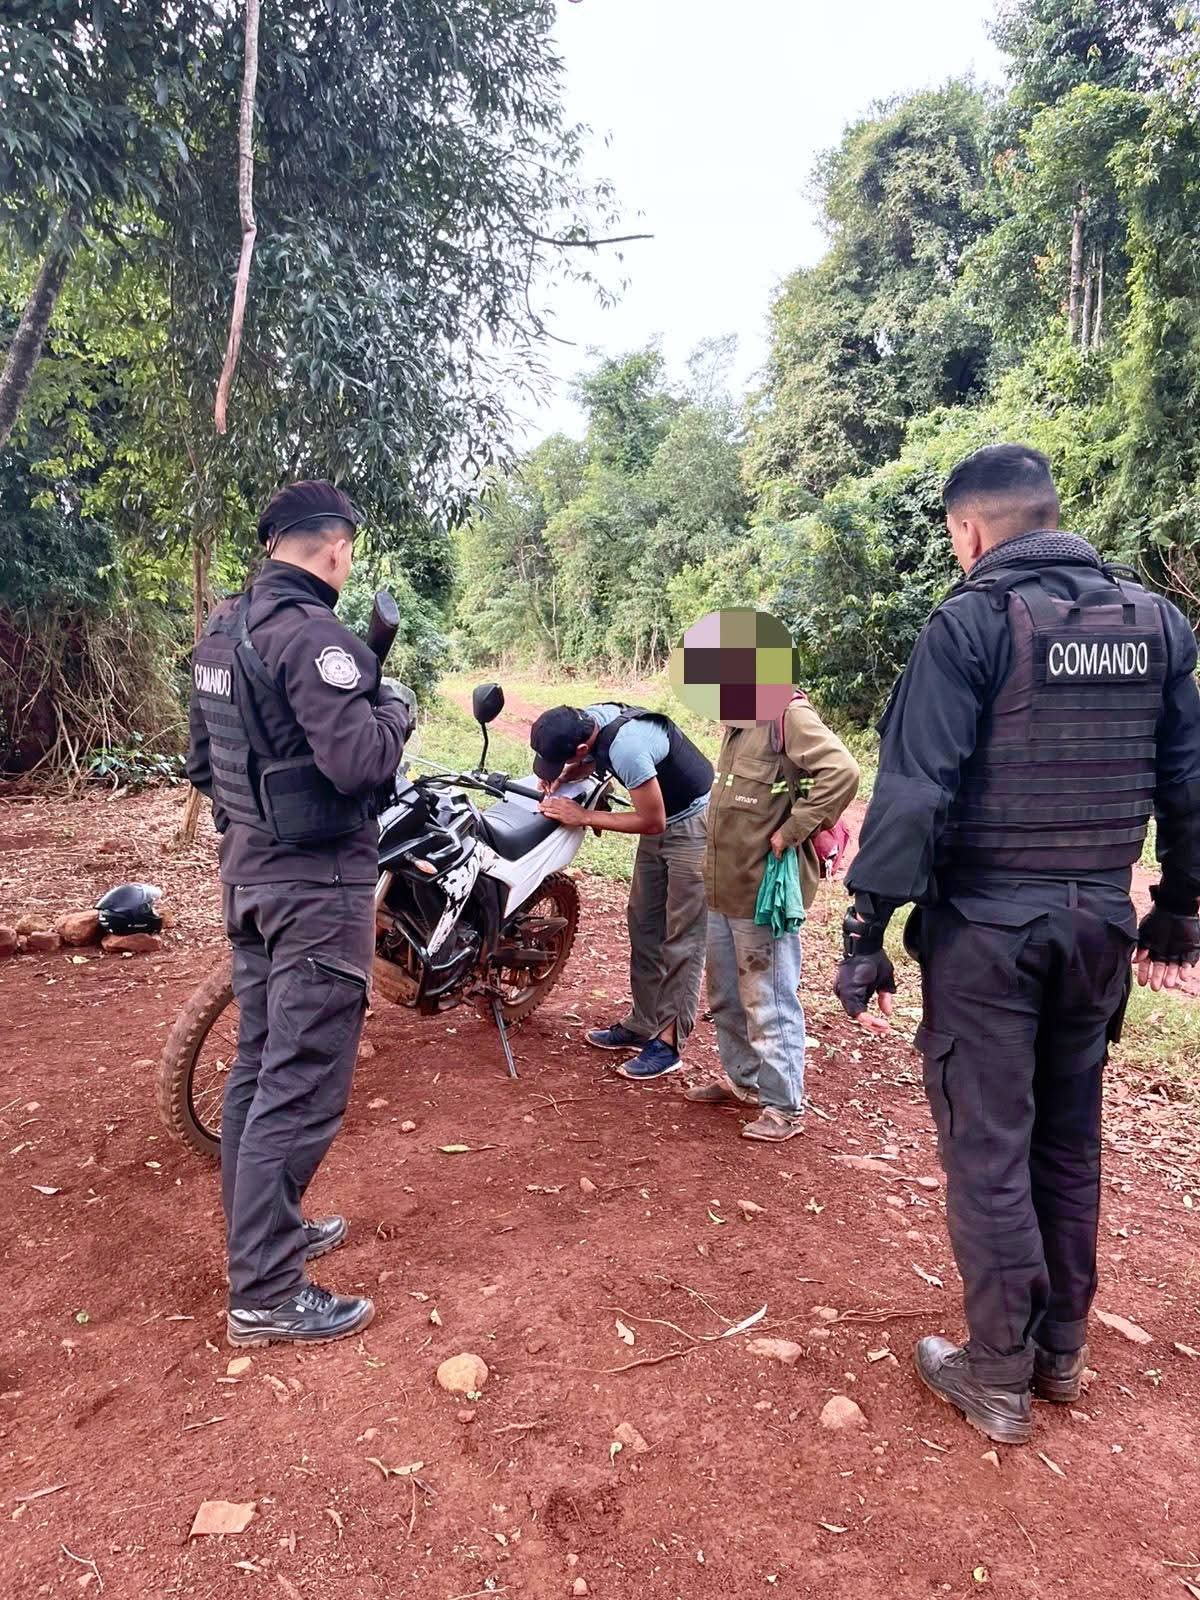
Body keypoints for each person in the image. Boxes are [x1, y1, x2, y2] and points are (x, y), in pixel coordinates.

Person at [835, 444, 1200, 1444]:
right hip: (1098, 930)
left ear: (969, 530)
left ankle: (997, 1372)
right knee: (1068, 1142)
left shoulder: (971, 623)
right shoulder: (1155, 625)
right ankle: (1060, 1352)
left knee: (990, 1151)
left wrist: (866, 931)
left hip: (991, 935)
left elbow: (915, 793)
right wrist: (1178, 910)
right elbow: (1187, 785)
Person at [187, 480, 413, 1347]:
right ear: (335, 549)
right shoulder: (313, 636)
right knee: (303, 1078)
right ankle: (265, 1291)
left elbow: (203, 765)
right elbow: (360, 762)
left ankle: (266, 1236)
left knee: (259, 1064)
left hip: (249, 879)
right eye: (347, 552)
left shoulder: (222, 631)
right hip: (315, 890)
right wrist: (394, 709)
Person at [687, 686, 859, 1141]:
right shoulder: (738, 723)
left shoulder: (788, 716)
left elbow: (842, 771)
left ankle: (783, 1107)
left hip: (764, 891)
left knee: (769, 1001)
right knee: (726, 996)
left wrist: (793, 830)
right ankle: (746, 1084)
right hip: (724, 886)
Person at [530, 702, 714, 1080]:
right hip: (662, 819)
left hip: (692, 825)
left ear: (582, 745)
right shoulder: (589, 720)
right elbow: (592, 760)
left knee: (683, 936)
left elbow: (652, 820)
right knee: (644, 923)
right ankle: (643, 1023)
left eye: (564, 759)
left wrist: (584, 816)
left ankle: (669, 1043)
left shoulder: (628, 748)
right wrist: (564, 775)